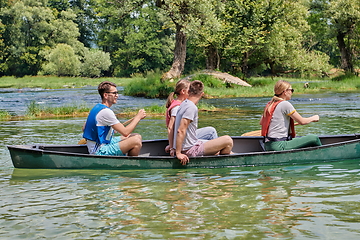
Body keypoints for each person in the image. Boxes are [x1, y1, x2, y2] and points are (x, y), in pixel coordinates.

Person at [173, 80, 233, 165]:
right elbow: (180, 130)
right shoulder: (191, 107)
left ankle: (219, 153)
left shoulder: (183, 103)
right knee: (228, 140)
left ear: (189, 91)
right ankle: (221, 163)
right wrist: (178, 153)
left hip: (191, 144)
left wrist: (173, 147)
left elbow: (174, 127)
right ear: (202, 94)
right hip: (189, 149)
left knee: (211, 130)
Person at [83, 81, 146, 156]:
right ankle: (131, 165)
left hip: (103, 143)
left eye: (117, 93)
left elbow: (84, 128)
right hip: (99, 151)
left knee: (137, 136)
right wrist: (138, 117)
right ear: (105, 95)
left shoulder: (97, 107)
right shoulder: (106, 112)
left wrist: (108, 130)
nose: (117, 95)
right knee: (136, 141)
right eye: (114, 93)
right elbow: (125, 132)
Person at [260, 80, 321, 151]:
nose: (292, 92)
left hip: (268, 145)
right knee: (314, 138)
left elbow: (262, 122)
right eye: (291, 90)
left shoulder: (270, 104)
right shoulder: (285, 104)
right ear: (285, 92)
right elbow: (302, 121)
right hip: (279, 145)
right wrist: (314, 118)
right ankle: (322, 153)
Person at [165, 79, 218, 156]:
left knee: (211, 130)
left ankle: (212, 150)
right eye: (189, 91)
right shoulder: (177, 107)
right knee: (212, 133)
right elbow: (171, 128)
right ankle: (214, 152)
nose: (190, 93)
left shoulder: (181, 104)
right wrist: (172, 147)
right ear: (183, 91)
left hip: (182, 137)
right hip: (181, 140)